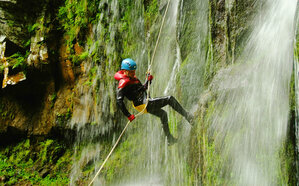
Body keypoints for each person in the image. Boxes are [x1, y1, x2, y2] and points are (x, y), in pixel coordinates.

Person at [114, 58, 193, 145]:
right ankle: (188, 116)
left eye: (134, 71)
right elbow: (119, 101)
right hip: (142, 104)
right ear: (125, 71)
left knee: (163, 114)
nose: (134, 73)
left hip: (145, 100)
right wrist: (128, 115)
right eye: (131, 71)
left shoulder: (133, 78)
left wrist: (148, 80)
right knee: (169, 99)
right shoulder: (123, 83)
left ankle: (169, 138)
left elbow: (143, 88)